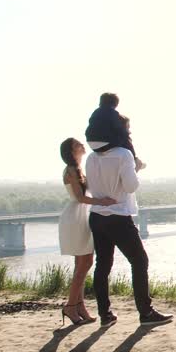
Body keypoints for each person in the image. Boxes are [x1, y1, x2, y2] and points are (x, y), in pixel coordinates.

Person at [85, 142, 172, 327]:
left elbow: (92, 187)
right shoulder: (124, 154)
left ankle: (105, 315)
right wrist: (136, 167)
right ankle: (146, 313)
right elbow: (131, 186)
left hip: (97, 216)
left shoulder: (92, 157)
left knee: (103, 265)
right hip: (118, 216)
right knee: (140, 261)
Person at [57, 138, 115, 326]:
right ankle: (71, 306)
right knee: (85, 264)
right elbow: (81, 197)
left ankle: (79, 306)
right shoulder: (72, 170)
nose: (83, 146)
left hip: (80, 216)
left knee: (81, 265)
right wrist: (102, 202)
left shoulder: (78, 169)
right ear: (72, 151)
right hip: (76, 217)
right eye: (78, 145)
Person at [85, 93, 146, 170]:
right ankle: (135, 160)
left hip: (92, 143)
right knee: (125, 136)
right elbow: (120, 131)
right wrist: (126, 133)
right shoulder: (113, 114)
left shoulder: (95, 113)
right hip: (104, 144)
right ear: (115, 104)